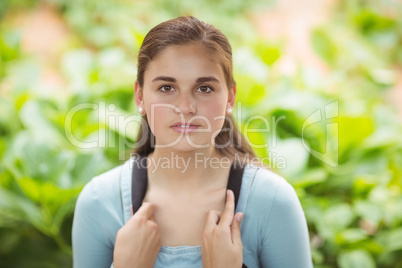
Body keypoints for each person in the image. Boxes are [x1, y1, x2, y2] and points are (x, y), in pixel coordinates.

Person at [72, 16, 313, 268]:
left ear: (230, 98)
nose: (186, 108)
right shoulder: (99, 202)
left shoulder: (273, 201)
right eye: (167, 88)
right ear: (140, 96)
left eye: (204, 88)